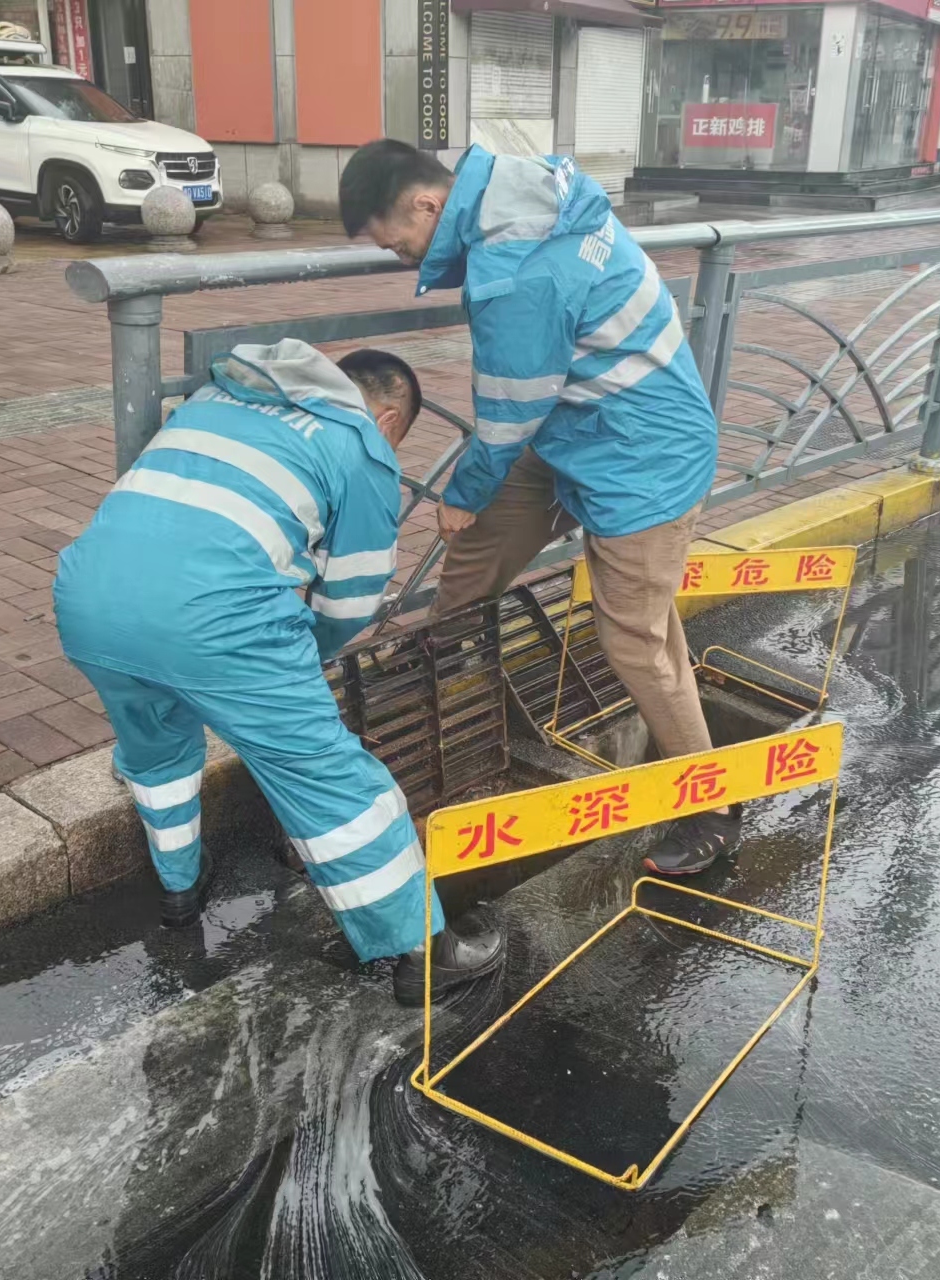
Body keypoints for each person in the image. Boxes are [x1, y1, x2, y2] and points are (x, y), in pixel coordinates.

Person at [53, 340, 504, 1004]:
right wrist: (303, 655)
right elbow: (349, 601)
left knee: (156, 747)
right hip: (217, 622)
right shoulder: (359, 444)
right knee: (335, 785)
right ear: (384, 419)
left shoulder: (214, 400)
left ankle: (180, 889)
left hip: (87, 598)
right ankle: (423, 954)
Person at [339, 139, 742, 876]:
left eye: (396, 242)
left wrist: (462, 491)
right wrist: (477, 503)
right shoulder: (520, 199)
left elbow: (506, 416)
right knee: (486, 536)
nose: (399, 257)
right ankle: (442, 648)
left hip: (641, 455)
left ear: (431, 205)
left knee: (636, 641)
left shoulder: (519, 274)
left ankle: (711, 805)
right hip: (577, 422)